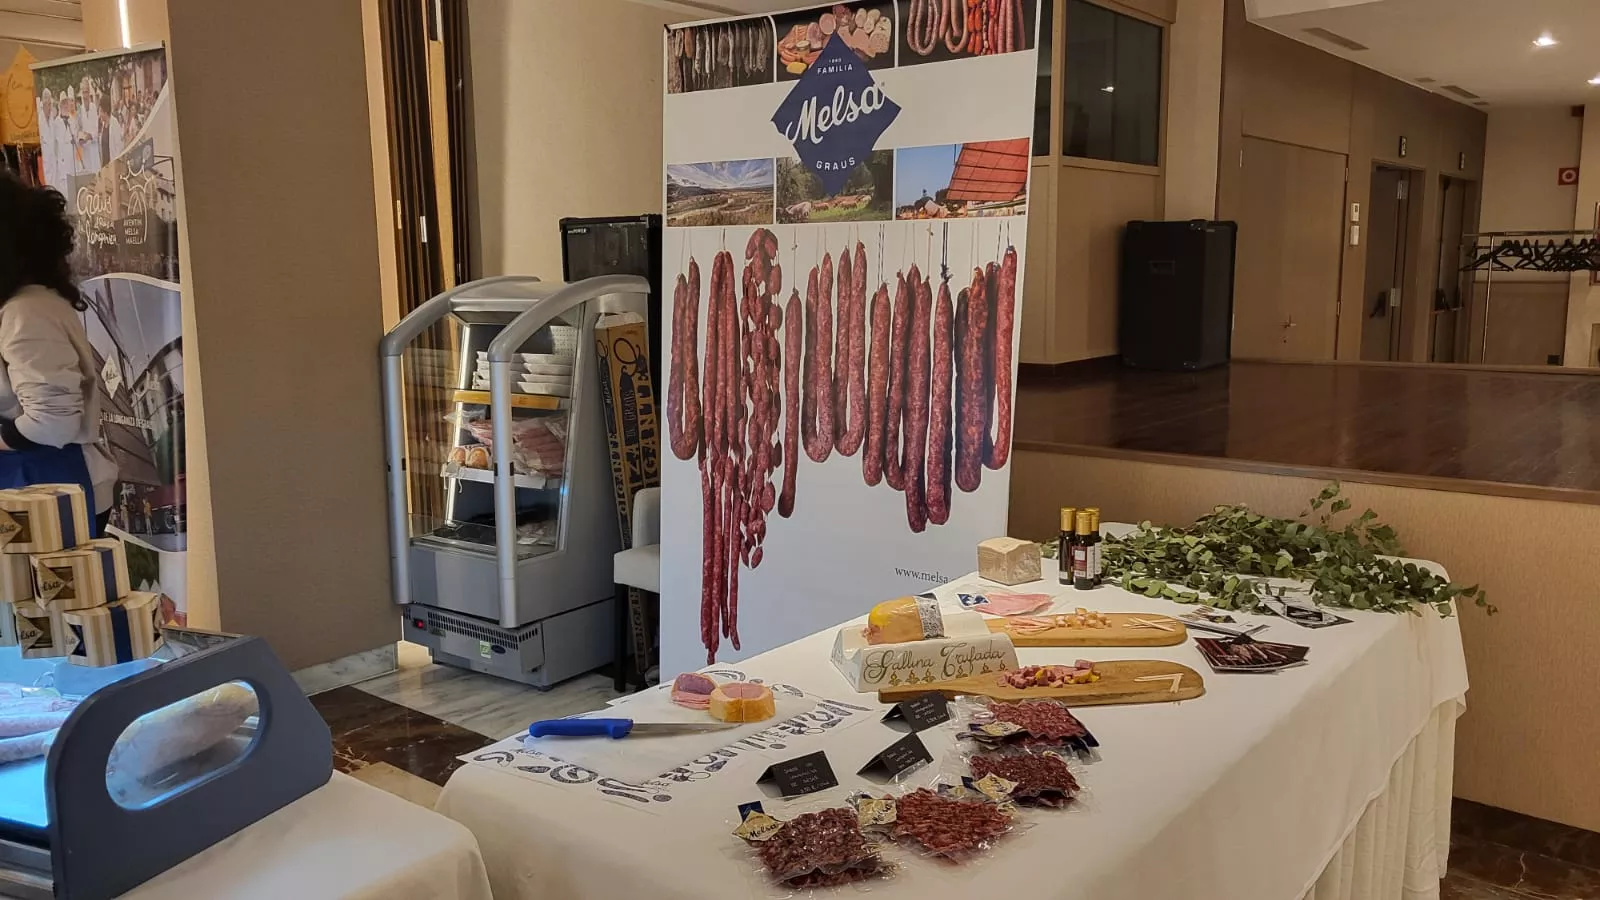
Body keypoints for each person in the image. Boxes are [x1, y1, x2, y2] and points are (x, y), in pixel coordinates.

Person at [0, 173, 118, 533]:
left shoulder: (27, 311)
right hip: (38, 483)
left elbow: (52, 422)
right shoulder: (23, 304)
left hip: (51, 484)